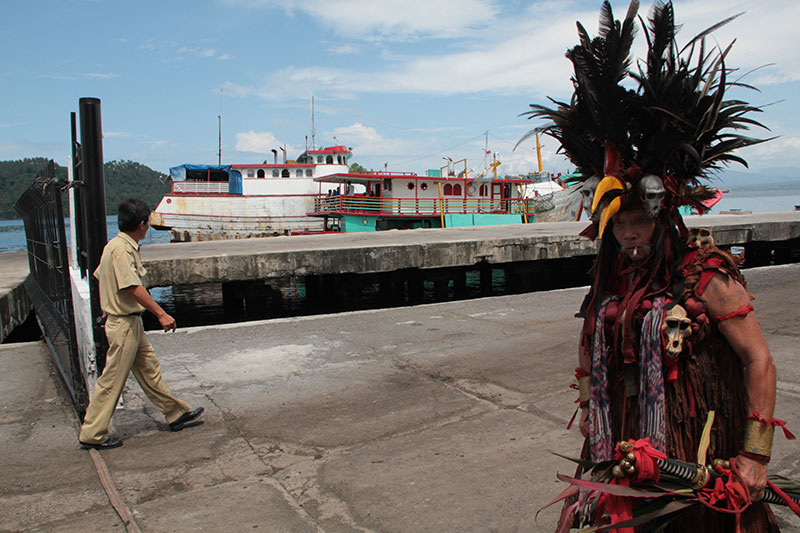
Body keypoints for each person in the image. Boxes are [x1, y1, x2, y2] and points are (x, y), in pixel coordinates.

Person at [520, 1, 792, 530]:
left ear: (663, 216)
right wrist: (591, 409)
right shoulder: (612, 279)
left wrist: (756, 455)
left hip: (692, 456)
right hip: (619, 450)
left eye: (637, 222)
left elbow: (759, 359)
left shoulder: (706, 276)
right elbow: (589, 345)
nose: (627, 234)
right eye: (618, 225)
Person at [78, 199, 203, 450]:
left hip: (129, 323)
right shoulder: (122, 250)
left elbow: (102, 278)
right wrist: (161, 314)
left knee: (149, 370)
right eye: (148, 222)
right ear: (141, 224)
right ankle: (93, 433)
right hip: (124, 324)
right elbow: (133, 286)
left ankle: (174, 413)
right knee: (112, 380)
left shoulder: (119, 245)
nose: (149, 227)